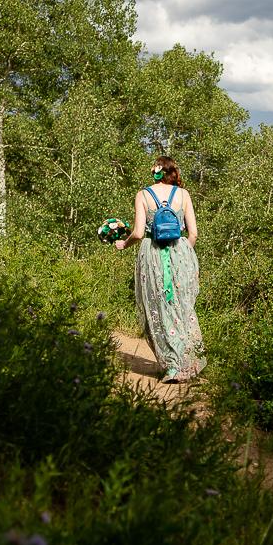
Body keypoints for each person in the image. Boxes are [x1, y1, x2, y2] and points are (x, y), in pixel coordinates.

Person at [114, 156, 206, 383]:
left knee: (157, 306)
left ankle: (171, 366)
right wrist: (182, 255)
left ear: (155, 172)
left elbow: (137, 232)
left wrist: (123, 244)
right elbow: (193, 234)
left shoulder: (143, 195)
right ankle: (186, 362)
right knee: (181, 305)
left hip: (152, 253)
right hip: (180, 252)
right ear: (173, 172)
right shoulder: (183, 195)